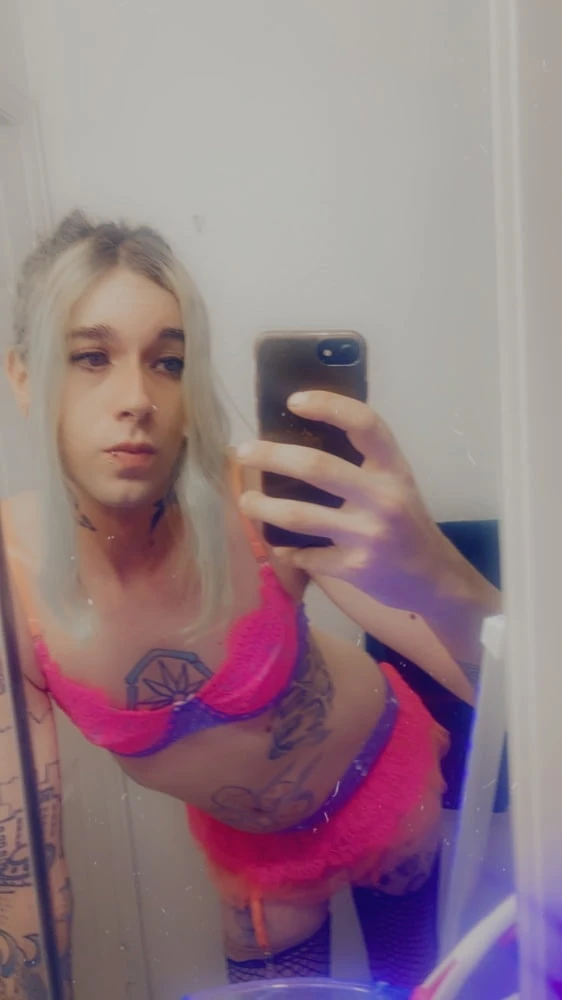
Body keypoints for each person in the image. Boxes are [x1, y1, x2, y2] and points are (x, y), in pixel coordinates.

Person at [0, 211, 500, 998]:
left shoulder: (265, 500)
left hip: (385, 786)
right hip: (256, 860)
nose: (136, 398)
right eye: (90, 357)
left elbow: (512, 687)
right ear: (25, 376)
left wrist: (435, 570)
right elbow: (23, 867)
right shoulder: (12, 582)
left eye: (169, 362)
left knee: (410, 984)